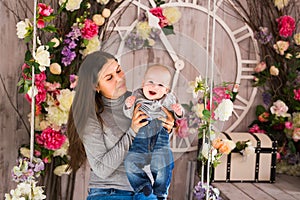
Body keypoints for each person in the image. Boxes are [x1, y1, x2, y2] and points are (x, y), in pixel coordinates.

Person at [66, 51, 175, 200]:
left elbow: (153, 151)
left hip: (145, 192)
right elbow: (102, 169)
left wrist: (166, 129)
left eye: (118, 70)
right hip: (109, 192)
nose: (119, 78)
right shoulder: (91, 117)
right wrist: (133, 131)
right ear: (96, 86)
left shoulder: (141, 100)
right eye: (109, 78)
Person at [124, 65, 184, 200]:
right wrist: (128, 105)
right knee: (130, 163)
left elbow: (175, 117)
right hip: (142, 137)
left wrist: (179, 112)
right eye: (150, 82)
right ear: (143, 83)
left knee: (162, 164)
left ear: (166, 90)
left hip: (160, 137)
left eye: (160, 85)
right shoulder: (137, 95)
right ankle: (143, 185)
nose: (154, 87)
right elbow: (129, 115)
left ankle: (161, 191)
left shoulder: (168, 99)